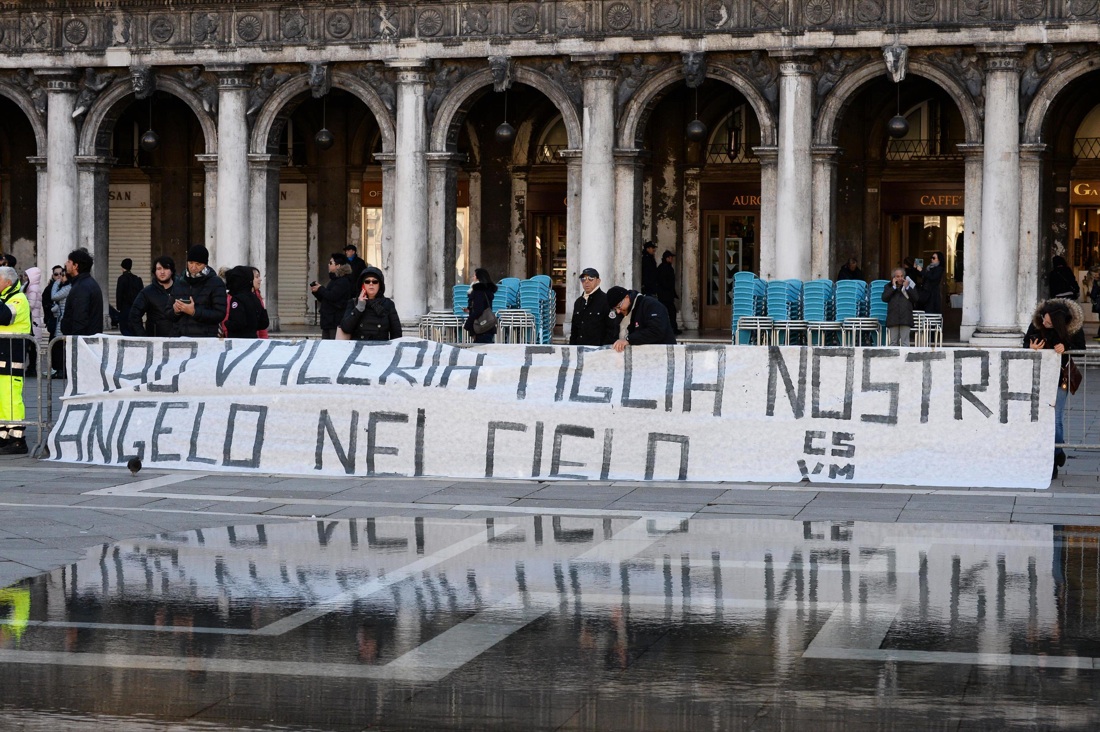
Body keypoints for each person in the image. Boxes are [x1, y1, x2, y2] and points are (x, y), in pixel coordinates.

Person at [1025, 298, 1086, 479]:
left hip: (1061, 378)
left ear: (1059, 323)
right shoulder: (1037, 322)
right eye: (1044, 319)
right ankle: (1057, 452)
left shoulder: (1072, 327)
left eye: (1049, 323)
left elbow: (1080, 348)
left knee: (1056, 419)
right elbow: (1026, 342)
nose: (1044, 323)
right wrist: (1032, 347)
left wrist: (1065, 346)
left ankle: (1052, 460)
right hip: (1039, 377)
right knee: (1040, 418)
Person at [0, 265, 31, 455]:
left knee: (12, 399)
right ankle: (3, 435)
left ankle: (18, 438)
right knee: (2, 400)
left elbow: (4, 317)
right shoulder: (5, 298)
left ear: (7, 282)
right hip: (2, 358)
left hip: (12, 358)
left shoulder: (19, 299)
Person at [171, 245, 227, 338]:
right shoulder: (179, 281)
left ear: (205, 264)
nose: (193, 267)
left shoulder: (216, 283)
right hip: (180, 339)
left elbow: (219, 314)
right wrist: (175, 310)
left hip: (205, 340)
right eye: (191, 262)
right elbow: (168, 312)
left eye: (198, 264)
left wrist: (194, 312)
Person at [338, 267, 402, 341]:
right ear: (363, 285)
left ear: (380, 285)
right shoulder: (353, 303)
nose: (371, 284)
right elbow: (346, 328)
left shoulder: (388, 304)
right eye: (367, 281)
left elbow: (396, 333)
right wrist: (359, 307)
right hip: (359, 348)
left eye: (375, 282)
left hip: (381, 349)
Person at [605, 285, 676, 352]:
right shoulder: (620, 313)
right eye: (615, 309)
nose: (618, 311)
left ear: (627, 297)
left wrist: (629, 340)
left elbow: (656, 330)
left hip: (659, 354)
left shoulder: (651, 305)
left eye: (619, 306)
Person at [129, 256, 178, 337]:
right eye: (159, 269)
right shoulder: (147, 292)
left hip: (180, 342)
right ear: (154, 271)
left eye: (166, 268)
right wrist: (144, 338)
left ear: (172, 271)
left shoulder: (181, 290)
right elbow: (134, 316)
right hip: (156, 342)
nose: (162, 272)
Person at [60, 248, 104, 336]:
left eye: (69, 261)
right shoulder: (86, 283)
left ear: (75, 266)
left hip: (82, 341)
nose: (65, 264)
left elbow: (80, 318)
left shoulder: (82, 287)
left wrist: (75, 342)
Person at [569, 267, 618, 346]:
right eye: (583, 279)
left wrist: (605, 349)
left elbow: (612, 329)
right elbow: (574, 330)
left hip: (598, 351)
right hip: (579, 349)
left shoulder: (606, 300)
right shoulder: (578, 302)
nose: (586, 282)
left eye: (591, 278)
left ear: (598, 281)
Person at [311, 252, 354, 339]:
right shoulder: (334, 280)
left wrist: (321, 289)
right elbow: (326, 299)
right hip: (328, 321)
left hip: (335, 321)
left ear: (338, 266)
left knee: (332, 347)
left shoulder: (343, 281)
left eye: (331, 263)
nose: (328, 265)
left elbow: (333, 296)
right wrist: (317, 291)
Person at [224, 265, 269, 339]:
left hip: (239, 341)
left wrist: (227, 323)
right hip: (253, 338)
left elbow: (238, 323)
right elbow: (264, 323)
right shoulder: (255, 298)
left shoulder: (237, 299)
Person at [882, 268, 917, 347]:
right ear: (893, 278)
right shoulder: (888, 286)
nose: (900, 278)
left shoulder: (909, 285)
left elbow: (916, 298)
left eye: (901, 276)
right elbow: (884, 298)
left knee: (905, 343)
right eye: (897, 276)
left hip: (905, 317)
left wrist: (907, 288)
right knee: (893, 342)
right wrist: (893, 287)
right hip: (893, 318)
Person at [463, 268, 497, 344]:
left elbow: (479, 310)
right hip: (487, 326)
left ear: (479, 277)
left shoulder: (478, 291)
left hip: (481, 327)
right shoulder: (486, 290)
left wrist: (468, 324)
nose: (472, 278)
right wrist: (470, 309)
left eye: (474, 276)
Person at [115, 258, 144, 336]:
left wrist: (119, 307)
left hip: (125, 308)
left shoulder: (121, 279)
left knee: (125, 328)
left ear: (122, 267)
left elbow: (119, 294)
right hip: (135, 308)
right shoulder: (137, 279)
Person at [656, 249, 681, 335]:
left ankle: (671, 328)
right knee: (670, 312)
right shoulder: (664, 268)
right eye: (670, 258)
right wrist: (669, 291)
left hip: (666, 295)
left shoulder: (666, 267)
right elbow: (664, 282)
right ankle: (672, 329)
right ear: (667, 258)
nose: (672, 259)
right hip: (665, 295)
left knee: (670, 312)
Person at [252, 267, 269, 339]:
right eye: (256, 277)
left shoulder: (258, 296)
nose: (260, 279)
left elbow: (262, 326)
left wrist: (264, 340)